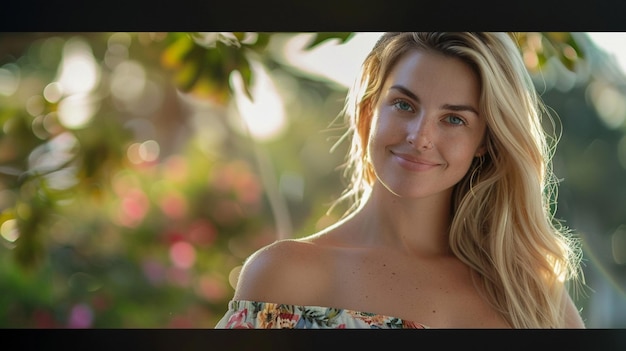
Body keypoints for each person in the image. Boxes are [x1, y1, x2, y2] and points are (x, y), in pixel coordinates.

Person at [214, 32, 586, 329]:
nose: (419, 136)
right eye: (404, 105)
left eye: (454, 119)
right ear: (369, 109)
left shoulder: (530, 295)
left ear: (485, 142)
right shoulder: (286, 276)